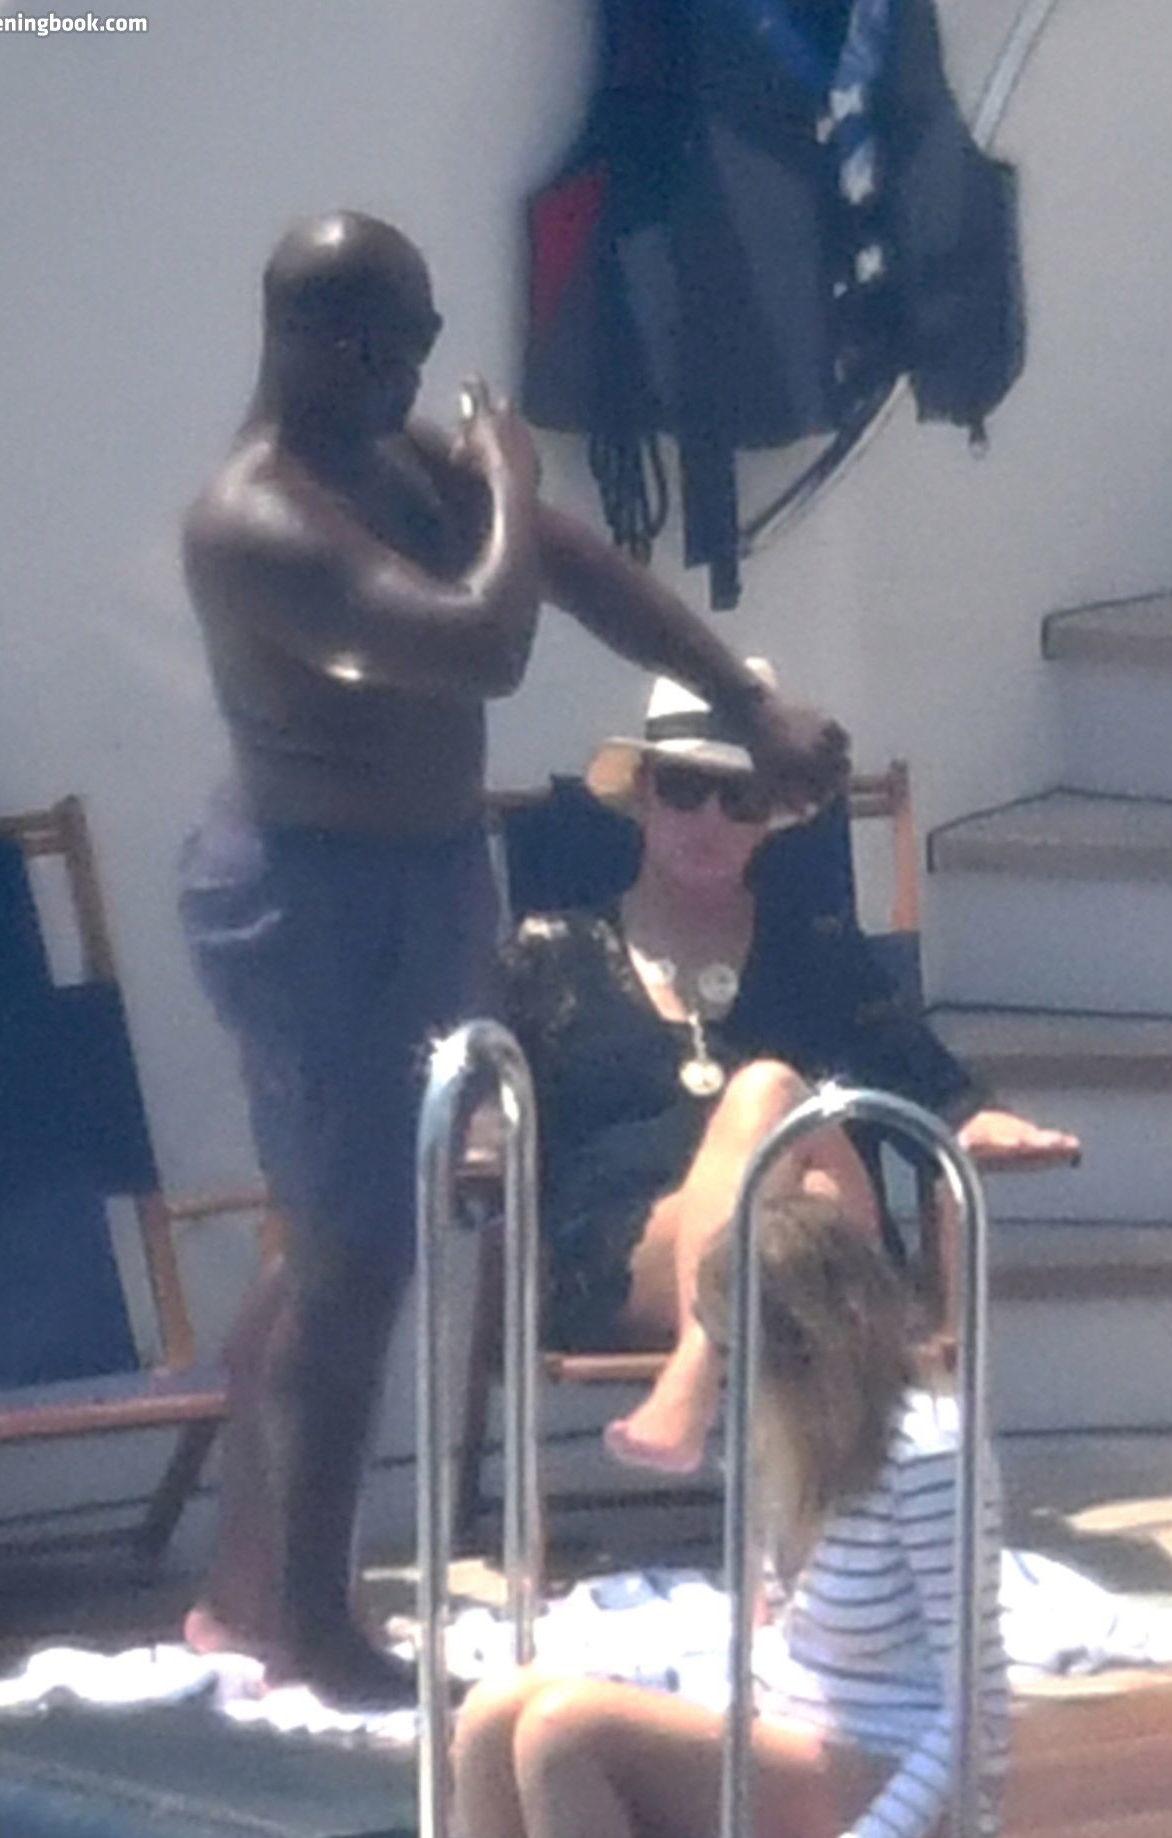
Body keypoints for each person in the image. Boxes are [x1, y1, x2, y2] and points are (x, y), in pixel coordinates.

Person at [179, 210, 850, 1704]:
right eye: (400, 341)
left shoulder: (392, 456)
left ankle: (248, 1590)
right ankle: (311, 1619)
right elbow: (481, 642)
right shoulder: (254, 515)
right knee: (352, 1246)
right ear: (324, 341)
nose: (423, 367)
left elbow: (563, 569)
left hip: (428, 877)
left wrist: (744, 702)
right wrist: (509, 472)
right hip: (307, 899)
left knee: (360, 1232)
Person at [500, 668, 1079, 1474]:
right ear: (642, 793)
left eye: (738, 797)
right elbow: (490, 1108)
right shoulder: (554, 953)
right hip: (629, 1256)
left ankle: (693, 1375)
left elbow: (924, 1079)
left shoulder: (816, 952)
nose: (709, 817)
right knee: (793, 1159)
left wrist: (976, 1121)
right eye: (684, 788)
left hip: (819, 1253)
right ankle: (843, 1496)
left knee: (774, 1101)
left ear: (768, 817)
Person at [454, 1191, 1011, 1838]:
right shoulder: (786, 1442)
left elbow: (979, 1706)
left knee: (563, 1731)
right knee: (494, 1710)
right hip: (795, 1745)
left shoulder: (930, 1450)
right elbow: (773, 1647)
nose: (728, 1374)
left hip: (901, 1787)